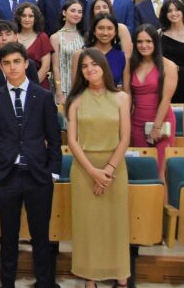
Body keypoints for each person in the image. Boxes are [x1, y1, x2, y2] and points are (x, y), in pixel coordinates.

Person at [0, 42, 62, 288]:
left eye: (17, 61)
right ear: (1, 66)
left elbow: (54, 138)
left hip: (39, 174)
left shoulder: (43, 96)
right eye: (6, 63)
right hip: (7, 176)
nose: (12, 67)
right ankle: (7, 282)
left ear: (26, 64)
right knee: (8, 235)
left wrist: (53, 172)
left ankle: (45, 282)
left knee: (40, 235)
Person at [65, 48, 132, 288]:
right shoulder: (75, 100)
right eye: (85, 66)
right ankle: (89, 278)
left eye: (94, 64)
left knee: (116, 224)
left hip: (115, 167)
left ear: (103, 66)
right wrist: (94, 172)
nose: (90, 69)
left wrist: (109, 170)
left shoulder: (122, 97)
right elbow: (72, 141)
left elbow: (125, 137)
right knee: (88, 227)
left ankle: (121, 277)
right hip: (84, 169)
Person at [125, 26, 178, 181]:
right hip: (137, 123)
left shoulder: (168, 66)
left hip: (162, 123)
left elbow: (166, 99)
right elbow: (127, 95)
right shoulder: (130, 64)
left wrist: (156, 126)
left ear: (156, 42)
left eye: (148, 41)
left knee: (159, 172)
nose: (144, 45)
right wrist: (125, 123)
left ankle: (161, 198)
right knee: (141, 171)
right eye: (140, 41)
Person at [51, 0, 86, 104]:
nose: (76, 14)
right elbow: (55, 67)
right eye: (73, 10)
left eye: (79, 12)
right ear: (64, 12)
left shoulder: (85, 37)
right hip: (64, 87)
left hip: (82, 87)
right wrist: (59, 91)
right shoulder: (55, 37)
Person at [15, 3, 53, 88]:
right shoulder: (13, 37)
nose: (27, 19)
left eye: (31, 16)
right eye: (23, 16)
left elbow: (45, 67)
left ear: (35, 19)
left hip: (38, 85)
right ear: (19, 18)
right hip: (15, 84)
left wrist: (30, 87)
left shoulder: (42, 37)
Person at [86, 13, 129, 87]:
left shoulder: (122, 57)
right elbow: (76, 88)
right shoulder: (83, 54)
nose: (105, 33)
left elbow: (126, 89)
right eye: (101, 28)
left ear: (115, 32)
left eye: (110, 28)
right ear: (94, 31)